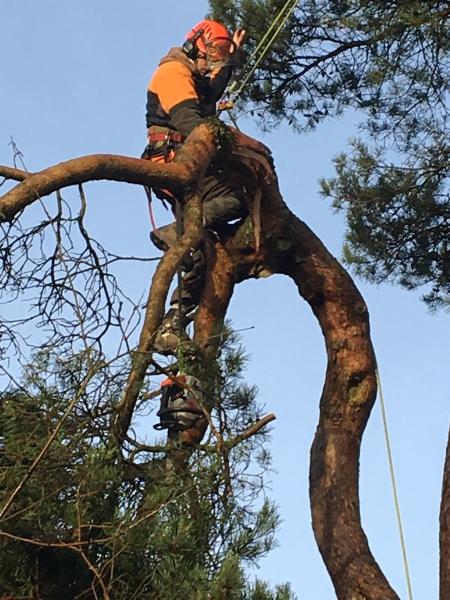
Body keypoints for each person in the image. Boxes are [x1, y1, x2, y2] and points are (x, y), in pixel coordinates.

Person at [144, 19, 247, 354]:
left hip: (191, 164)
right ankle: (176, 232)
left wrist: (230, 60)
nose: (210, 66)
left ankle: (173, 322)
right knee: (237, 198)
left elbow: (211, 91)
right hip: (176, 165)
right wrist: (234, 144)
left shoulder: (193, 75)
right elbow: (192, 124)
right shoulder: (172, 73)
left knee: (204, 249)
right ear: (194, 46)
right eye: (210, 57)